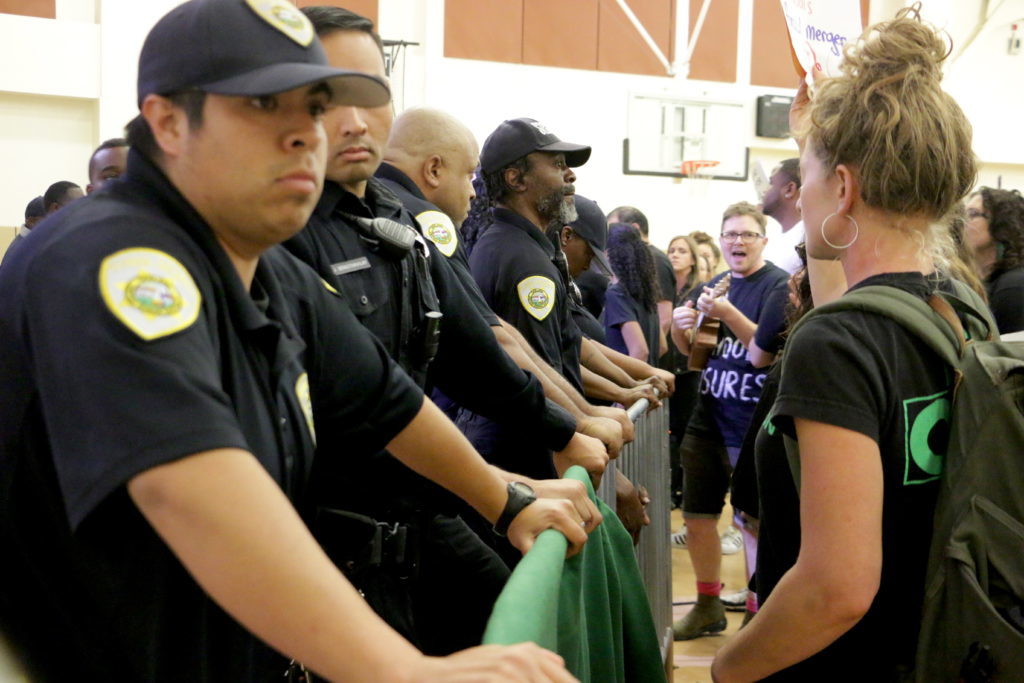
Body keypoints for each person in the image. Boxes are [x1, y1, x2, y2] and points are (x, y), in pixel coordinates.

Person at [0, 1, 586, 680]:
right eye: (264, 106)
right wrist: (405, 671)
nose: (307, 134)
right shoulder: (112, 261)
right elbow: (192, 490)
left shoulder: (264, 265)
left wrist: (504, 500)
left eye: (314, 107)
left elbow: (386, 401)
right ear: (168, 122)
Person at [283, 7, 608, 655]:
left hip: (413, 507)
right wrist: (510, 480)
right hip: (327, 543)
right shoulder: (285, 234)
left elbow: (430, 370)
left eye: (372, 92)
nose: (354, 120)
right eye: (325, 95)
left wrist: (547, 447)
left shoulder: (384, 217)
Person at [711, 6, 977, 680]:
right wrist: (817, 132)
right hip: (940, 648)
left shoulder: (838, 343)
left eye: (806, 175)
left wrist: (729, 668)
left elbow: (836, 588)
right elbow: (846, 314)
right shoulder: (956, 306)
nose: (800, 197)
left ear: (845, 186)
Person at [669, 201, 789, 640]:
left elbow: (761, 354)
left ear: (763, 241)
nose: (738, 242)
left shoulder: (777, 285)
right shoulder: (714, 286)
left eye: (747, 234)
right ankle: (707, 605)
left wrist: (726, 314)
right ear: (721, 240)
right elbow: (694, 355)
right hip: (709, 417)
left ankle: (757, 611)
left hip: (751, 422)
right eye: (731, 234)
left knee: (750, 521)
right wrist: (680, 325)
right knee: (697, 516)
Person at [607, 205, 675, 345]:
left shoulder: (656, 260)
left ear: (634, 229)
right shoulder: (634, 283)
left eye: (614, 228)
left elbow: (664, 319)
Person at [965, 187, 1024, 333]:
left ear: (1001, 224)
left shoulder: (1014, 286)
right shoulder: (969, 279)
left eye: (972, 214)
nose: (962, 221)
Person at [603, 223, 663, 363]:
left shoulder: (616, 294)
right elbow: (662, 346)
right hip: (650, 374)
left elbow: (640, 352)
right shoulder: (647, 294)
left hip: (629, 377)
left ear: (607, 253)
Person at [759, 158, 804, 275]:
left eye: (771, 183)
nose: (764, 191)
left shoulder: (806, 237)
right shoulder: (771, 235)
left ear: (789, 189)